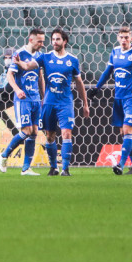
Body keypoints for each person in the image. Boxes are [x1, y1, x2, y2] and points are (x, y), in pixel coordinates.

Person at [93, 25, 132, 176]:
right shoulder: (115, 52)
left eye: (127, 37)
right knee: (124, 133)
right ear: (118, 38)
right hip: (118, 97)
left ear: (131, 38)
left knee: (127, 130)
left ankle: (120, 164)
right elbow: (108, 72)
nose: (124, 40)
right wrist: (97, 88)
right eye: (121, 37)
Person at [37, 27, 90, 176]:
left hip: (65, 103)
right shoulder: (45, 57)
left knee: (66, 133)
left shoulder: (72, 60)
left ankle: (65, 168)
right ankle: (53, 167)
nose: (54, 42)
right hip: (49, 102)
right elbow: (30, 65)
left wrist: (85, 104)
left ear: (64, 41)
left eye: (58, 39)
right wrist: (19, 63)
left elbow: (79, 83)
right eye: (53, 39)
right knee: (50, 135)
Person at [0, 28, 45, 176]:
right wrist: (17, 90)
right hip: (22, 99)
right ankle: (4, 155)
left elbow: (40, 77)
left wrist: (43, 96)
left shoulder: (39, 55)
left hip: (36, 98)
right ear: (31, 40)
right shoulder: (19, 54)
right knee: (26, 131)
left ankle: (26, 168)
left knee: (34, 132)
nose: (42, 44)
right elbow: (10, 75)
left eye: (43, 41)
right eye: (40, 41)